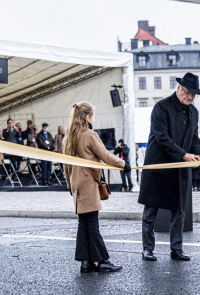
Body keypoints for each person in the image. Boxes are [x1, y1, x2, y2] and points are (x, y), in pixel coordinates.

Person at [138, 72, 200, 262]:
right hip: (158, 165)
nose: (190, 97)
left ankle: (176, 249)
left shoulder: (193, 112)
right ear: (178, 88)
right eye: (187, 92)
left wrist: (198, 153)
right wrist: (184, 155)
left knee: (179, 210)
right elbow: (162, 138)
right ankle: (147, 249)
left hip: (180, 167)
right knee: (151, 211)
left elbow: (194, 138)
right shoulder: (161, 107)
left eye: (193, 95)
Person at [63, 102, 131, 273]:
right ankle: (102, 261)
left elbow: (66, 166)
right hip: (88, 182)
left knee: (83, 223)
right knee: (92, 223)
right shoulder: (89, 135)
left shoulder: (69, 137)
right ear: (87, 117)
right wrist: (123, 164)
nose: (93, 118)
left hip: (76, 184)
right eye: (92, 115)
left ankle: (86, 261)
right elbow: (106, 156)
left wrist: (70, 185)